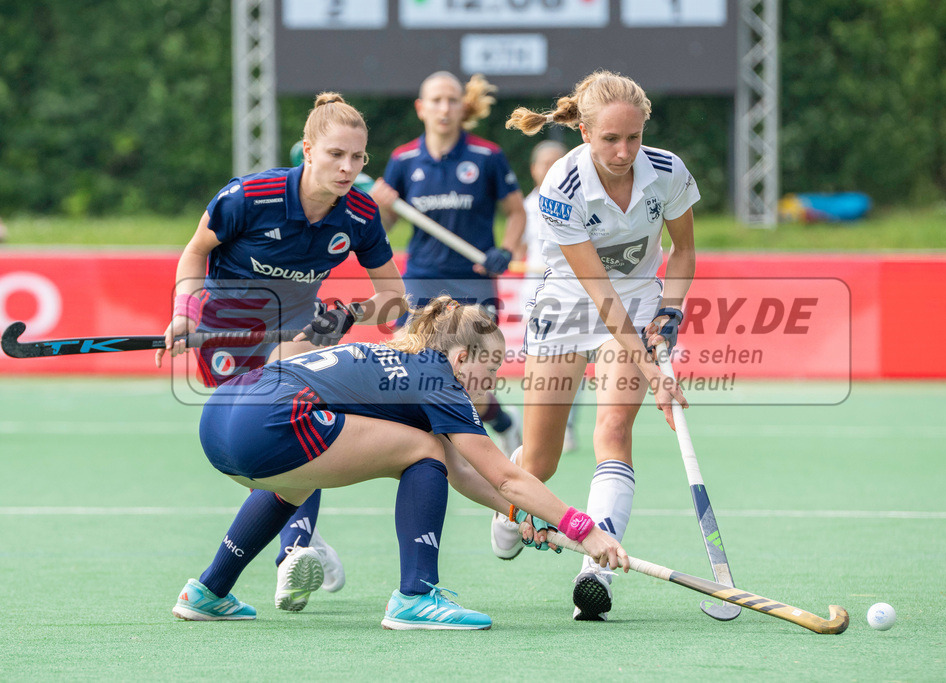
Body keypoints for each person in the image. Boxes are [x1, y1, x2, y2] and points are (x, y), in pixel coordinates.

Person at [171, 296, 629, 629]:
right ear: (463, 357)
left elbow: (468, 473)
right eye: (488, 373)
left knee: (297, 481)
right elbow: (502, 475)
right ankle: (417, 595)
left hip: (222, 418)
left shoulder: (401, 361)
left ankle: (209, 590)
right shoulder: (439, 379)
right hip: (272, 423)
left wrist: (522, 513)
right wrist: (583, 528)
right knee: (423, 450)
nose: (488, 387)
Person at [156, 92, 407, 613]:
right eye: (336, 154)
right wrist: (184, 309)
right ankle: (284, 549)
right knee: (274, 451)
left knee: (294, 433)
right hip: (224, 339)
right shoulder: (250, 195)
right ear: (308, 151)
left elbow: (393, 299)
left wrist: (347, 314)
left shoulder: (359, 214)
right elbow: (195, 250)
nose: (347, 168)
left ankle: (284, 555)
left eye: (358, 158)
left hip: (295, 335)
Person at [494, 70, 697, 621]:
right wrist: (655, 373)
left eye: (633, 137)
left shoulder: (668, 172)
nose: (624, 151)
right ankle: (511, 504)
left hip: (635, 303)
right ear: (584, 132)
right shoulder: (561, 185)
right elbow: (597, 293)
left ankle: (597, 568)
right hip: (569, 304)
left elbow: (681, 253)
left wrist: (671, 310)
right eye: (610, 139)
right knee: (542, 459)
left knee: (612, 429)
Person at [369, 71, 527, 457]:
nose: (444, 107)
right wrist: (381, 206)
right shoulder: (403, 160)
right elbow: (384, 226)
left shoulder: (486, 156)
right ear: (421, 109)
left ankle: (502, 423)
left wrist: (504, 251)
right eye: (436, 100)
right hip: (423, 279)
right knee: (419, 367)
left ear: (463, 107)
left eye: (452, 100)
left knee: (470, 376)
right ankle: (431, 448)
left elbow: (517, 212)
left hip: (474, 280)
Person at [512, 139, 582, 454]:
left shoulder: (580, 201)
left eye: (559, 162)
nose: (552, 169)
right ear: (533, 169)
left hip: (576, 294)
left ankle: (566, 426)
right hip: (537, 298)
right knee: (540, 366)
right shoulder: (524, 209)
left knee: (573, 362)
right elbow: (518, 251)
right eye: (546, 163)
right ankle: (535, 431)